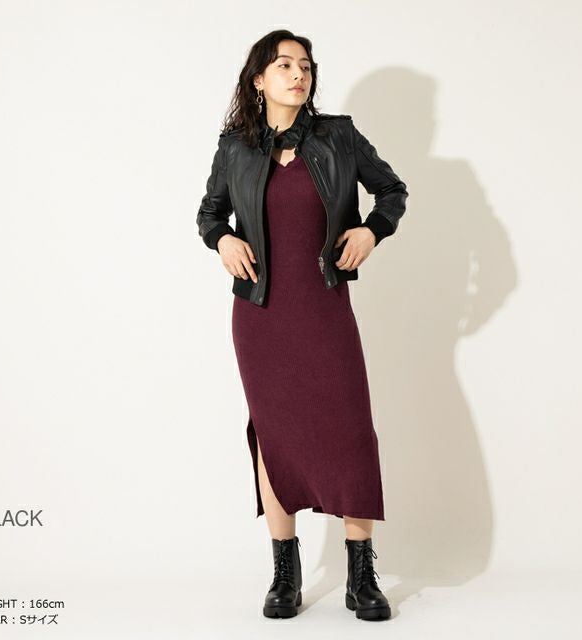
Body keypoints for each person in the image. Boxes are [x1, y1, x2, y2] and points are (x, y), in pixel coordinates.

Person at [196, 29, 408, 621]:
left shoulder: (337, 136)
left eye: (306, 67)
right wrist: (222, 239)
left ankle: (361, 575)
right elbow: (209, 212)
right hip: (261, 314)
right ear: (259, 80)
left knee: (350, 430)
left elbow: (391, 190)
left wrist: (371, 230)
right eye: (284, 65)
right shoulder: (235, 147)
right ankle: (284, 572)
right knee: (274, 433)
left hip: (324, 305)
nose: (298, 75)